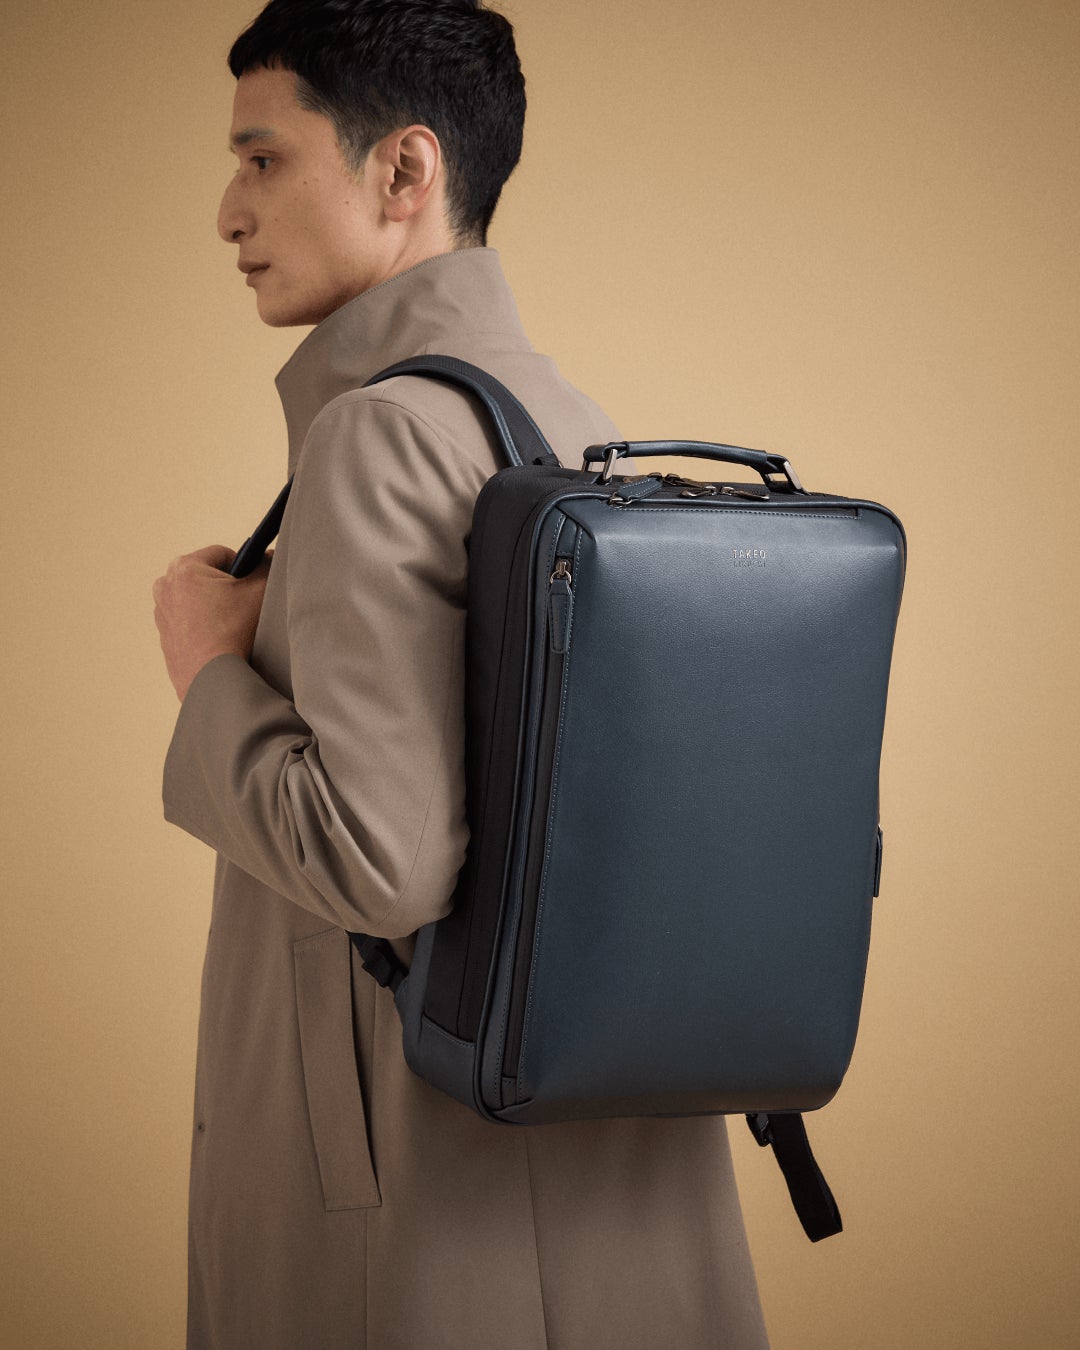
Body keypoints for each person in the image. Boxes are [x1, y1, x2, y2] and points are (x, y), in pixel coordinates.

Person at [153, 2, 769, 1346]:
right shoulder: (577, 425)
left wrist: (206, 668)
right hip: (604, 1158)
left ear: (405, 170)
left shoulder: (376, 436)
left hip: (421, 1192)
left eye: (262, 159)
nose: (228, 212)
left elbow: (381, 862)